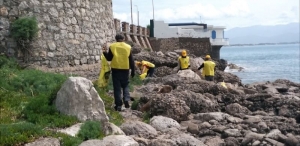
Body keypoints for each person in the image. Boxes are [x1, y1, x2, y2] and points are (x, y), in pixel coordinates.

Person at [102, 34, 135, 111]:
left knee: (117, 87)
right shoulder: (128, 47)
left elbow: (109, 58)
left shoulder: (112, 46)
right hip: (125, 69)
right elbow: (131, 60)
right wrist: (133, 71)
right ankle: (126, 99)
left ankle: (118, 105)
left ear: (116, 39)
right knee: (125, 85)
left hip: (115, 69)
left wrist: (104, 52)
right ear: (123, 39)